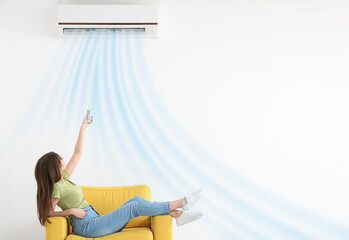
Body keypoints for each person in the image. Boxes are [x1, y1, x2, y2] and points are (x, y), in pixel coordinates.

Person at [34, 114, 203, 238]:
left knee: (136, 199)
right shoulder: (56, 187)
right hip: (86, 226)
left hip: (95, 219)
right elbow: (48, 213)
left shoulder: (65, 178)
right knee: (133, 208)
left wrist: (83, 127)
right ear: (53, 168)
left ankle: (177, 215)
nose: (63, 158)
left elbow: (77, 153)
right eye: (59, 159)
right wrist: (70, 211)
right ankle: (182, 202)